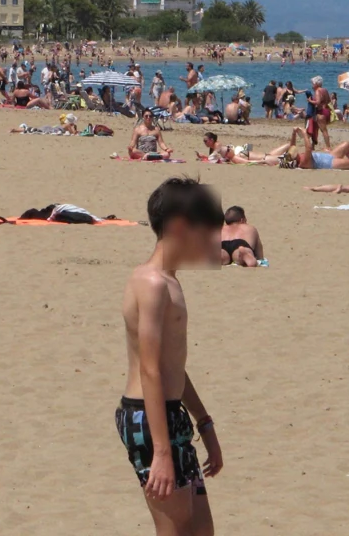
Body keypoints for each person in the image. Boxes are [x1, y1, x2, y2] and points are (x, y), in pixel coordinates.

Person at [117, 177, 224, 534]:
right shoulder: (150, 283)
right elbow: (149, 369)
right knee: (174, 529)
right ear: (179, 225)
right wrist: (162, 452)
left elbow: (172, 366)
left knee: (200, 529)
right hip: (148, 421)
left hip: (171, 416)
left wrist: (204, 422)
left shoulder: (170, 281)